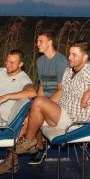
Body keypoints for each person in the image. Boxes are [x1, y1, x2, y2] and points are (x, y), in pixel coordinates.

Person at [14, 40, 90, 155]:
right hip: (61, 113)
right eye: (69, 54)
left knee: (38, 102)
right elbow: (62, 92)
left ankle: (29, 141)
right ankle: (13, 159)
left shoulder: (89, 73)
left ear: (85, 57)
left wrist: (88, 93)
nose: (69, 57)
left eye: (74, 55)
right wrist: (44, 105)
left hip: (74, 121)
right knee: (28, 116)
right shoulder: (69, 71)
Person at [30, 30, 69, 164]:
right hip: (44, 100)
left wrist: (43, 104)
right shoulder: (40, 61)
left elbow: (62, 90)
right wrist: (36, 103)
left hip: (59, 102)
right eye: (36, 41)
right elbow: (41, 86)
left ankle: (30, 146)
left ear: (50, 42)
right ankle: (39, 147)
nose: (37, 44)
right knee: (28, 112)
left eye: (40, 41)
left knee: (38, 108)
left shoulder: (61, 62)